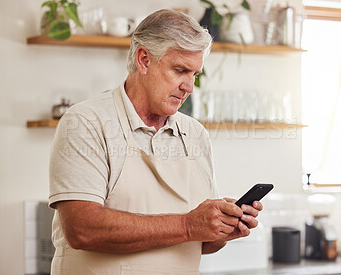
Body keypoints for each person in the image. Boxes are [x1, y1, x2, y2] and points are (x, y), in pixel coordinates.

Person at [49, 9, 263, 274]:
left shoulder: (195, 134)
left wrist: (220, 228)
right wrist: (187, 225)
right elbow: (81, 229)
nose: (189, 87)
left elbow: (198, 242)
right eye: (180, 70)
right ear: (144, 60)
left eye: (194, 74)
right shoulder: (85, 123)